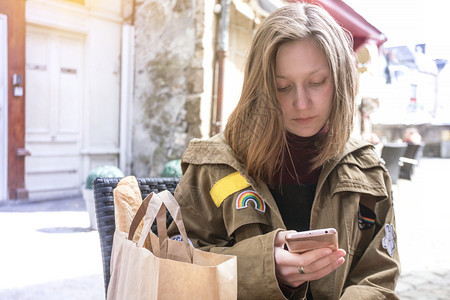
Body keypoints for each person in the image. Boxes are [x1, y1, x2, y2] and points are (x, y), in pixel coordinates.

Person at [168, 3, 400, 299]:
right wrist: (265, 268)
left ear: (341, 80)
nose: (301, 103)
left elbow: (379, 276)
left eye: (317, 82)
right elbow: (177, 260)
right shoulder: (213, 166)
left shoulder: (368, 170)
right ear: (259, 87)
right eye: (282, 87)